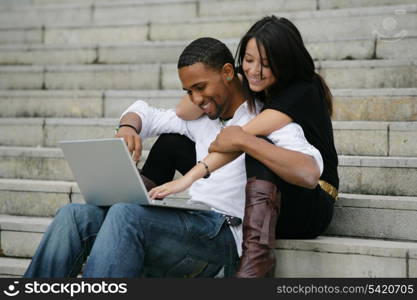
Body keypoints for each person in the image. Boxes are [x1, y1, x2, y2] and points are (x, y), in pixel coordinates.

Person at [24, 37, 322, 278]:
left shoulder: (268, 118)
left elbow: (309, 170)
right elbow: (144, 111)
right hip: (191, 223)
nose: (195, 100)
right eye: (188, 91)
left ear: (228, 73)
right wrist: (128, 127)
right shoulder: (201, 118)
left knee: (126, 215)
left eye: (201, 88)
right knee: (72, 216)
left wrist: (246, 140)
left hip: (223, 237)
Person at [148, 16, 339, 278]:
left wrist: (192, 176)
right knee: (173, 140)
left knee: (257, 147)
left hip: (308, 200)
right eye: (248, 60)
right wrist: (207, 87)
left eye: (267, 64)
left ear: (286, 62)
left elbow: (239, 138)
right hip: (270, 199)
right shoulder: (252, 77)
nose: (254, 71)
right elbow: (184, 109)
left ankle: (255, 265)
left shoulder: (302, 91)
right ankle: (134, 206)